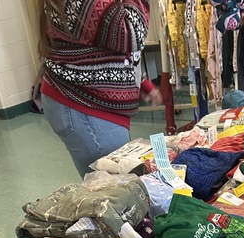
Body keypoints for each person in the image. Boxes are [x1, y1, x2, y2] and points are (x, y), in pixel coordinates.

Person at [39, 0, 161, 178]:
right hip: (86, 105)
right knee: (118, 189)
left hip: (86, 100)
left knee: (117, 188)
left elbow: (109, 41)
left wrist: (140, 81)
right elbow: (131, 33)